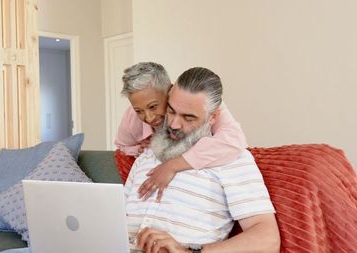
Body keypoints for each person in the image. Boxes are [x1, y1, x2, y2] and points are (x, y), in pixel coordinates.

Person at [125, 67, 280, 253]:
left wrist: (190, 252)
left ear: (213, 117)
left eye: (188, 117)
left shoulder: (232, 158)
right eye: (171, 111)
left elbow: (267, 239)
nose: (174, 124)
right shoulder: (146, 155)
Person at [115, 62, 247, 201]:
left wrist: (172, 166)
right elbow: (123, 145)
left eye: (153, 106)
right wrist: (137, 150)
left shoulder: (201, 103)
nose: (148, 117)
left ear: (170, 91)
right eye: (139, 111)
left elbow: (234, 139)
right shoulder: (132, 117)